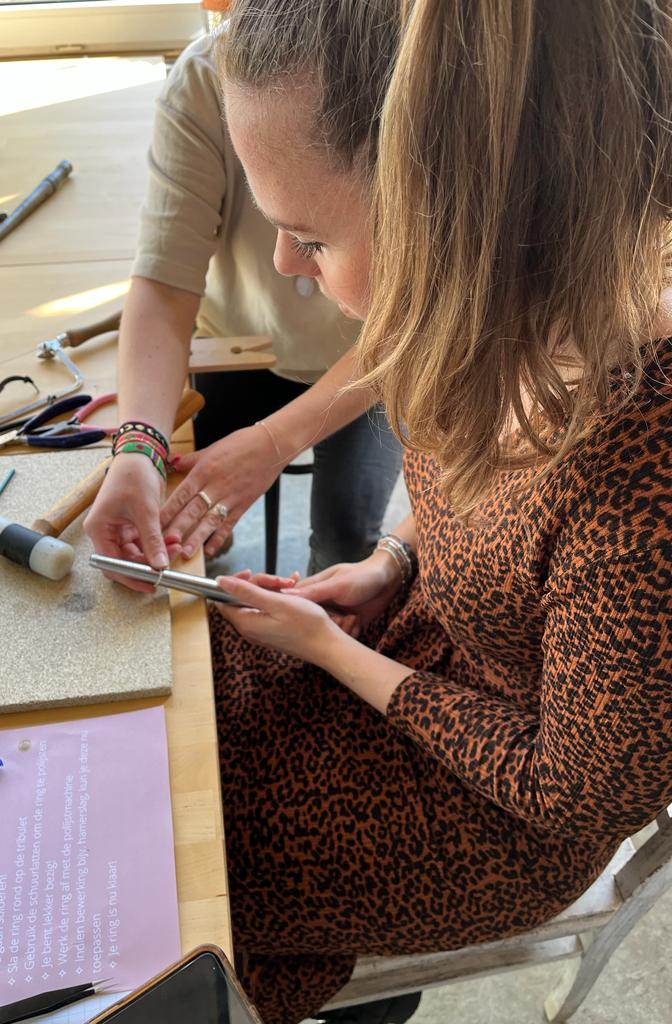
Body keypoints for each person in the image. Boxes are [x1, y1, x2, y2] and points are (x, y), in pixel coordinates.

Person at [185, 2, 670, 1023]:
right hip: (421, 645)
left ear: (465, 219)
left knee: (170, 872)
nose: (282, 264)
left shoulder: (645, 466)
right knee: (168, 706)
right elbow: (479, 497)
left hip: (493, 812)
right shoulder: (498, 315)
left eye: (309, 234)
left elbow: (572, 791)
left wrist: (336, 654)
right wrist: (392, 565)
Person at [83, 12, 404, 578]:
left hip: (375, 366)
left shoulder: (419, 80)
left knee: (348, 541)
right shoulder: (208, 80)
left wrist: (275, 441)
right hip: (240, 341)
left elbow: (421, 318)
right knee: (193, 531)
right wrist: (139, 444)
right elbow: (164, 278)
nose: (285, 263)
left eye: (310, 237)